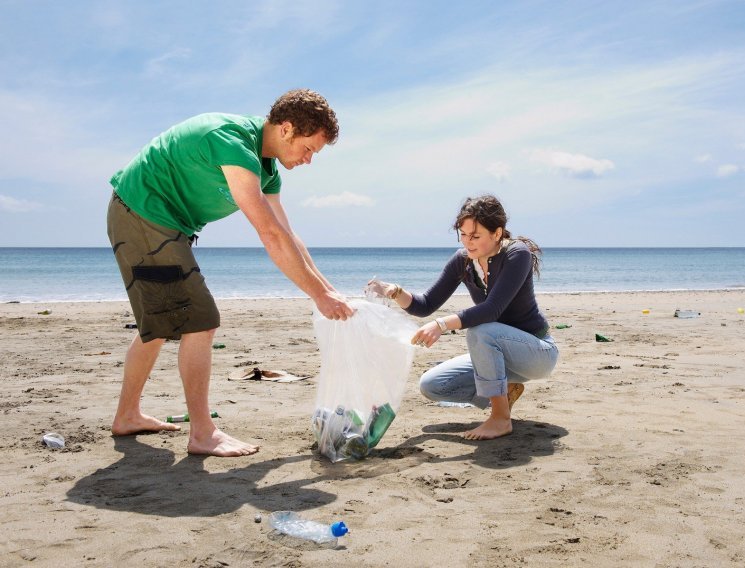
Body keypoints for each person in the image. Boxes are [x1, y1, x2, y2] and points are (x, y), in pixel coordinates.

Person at [107, 89, 354, 457]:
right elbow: (268, 234)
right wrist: (318, 296)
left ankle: (127, 415)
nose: (308, 160)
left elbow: (288, 235)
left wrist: (328, 290)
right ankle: (202, 434)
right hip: (143, 214)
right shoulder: (231, 140)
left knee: (159, 324)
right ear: (286, 129)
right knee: (200, 322)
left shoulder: (267, 171)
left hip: (165, 224)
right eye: (309, 149)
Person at [367, 195, 558, 440]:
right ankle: (505, 390)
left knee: (481, 330)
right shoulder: (463, 261)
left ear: (497, 233)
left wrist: (441, 325)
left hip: (537, 353)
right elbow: (425, 305)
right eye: (464, 235)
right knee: (432, 385)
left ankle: (500, 419)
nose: (468, 243)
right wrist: (394, 291)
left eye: (476, 236)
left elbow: (492, 310)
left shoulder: (517, 254)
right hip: (498, 354)